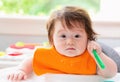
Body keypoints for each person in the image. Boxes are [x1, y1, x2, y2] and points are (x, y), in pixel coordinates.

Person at [7, 6, 118, 81]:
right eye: (63, 36)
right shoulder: (47, 54)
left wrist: (99, 55)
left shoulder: (93, 57)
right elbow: (31, 61)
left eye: (77, 36)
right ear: (52, 38)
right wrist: (20, 70)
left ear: (88, 37)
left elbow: (111, 73)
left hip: (108, 53)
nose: (70, 42)